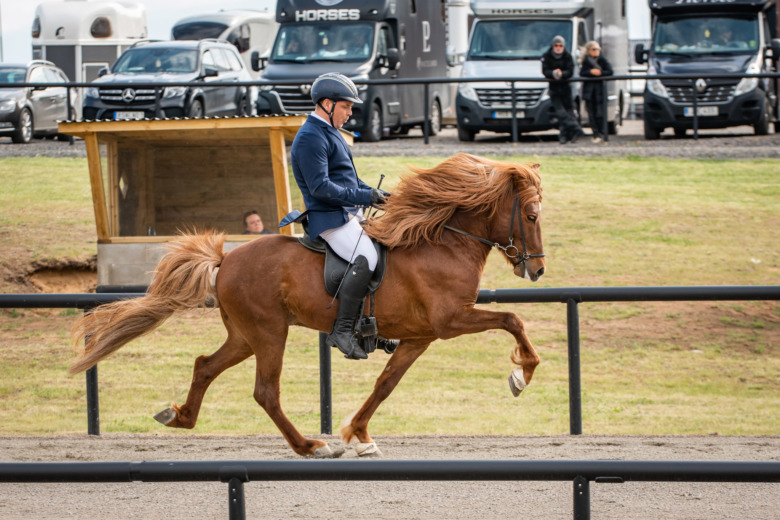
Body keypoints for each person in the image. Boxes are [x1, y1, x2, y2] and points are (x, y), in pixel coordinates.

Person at [289, 72, 389, 360]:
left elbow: (350, 182)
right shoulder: (310, 137)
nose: (350, 113)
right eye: (346, 107)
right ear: (327, 104)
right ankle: (343, 330)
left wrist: (378, 196)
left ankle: (373, 328)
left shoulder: (330, 133)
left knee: (386, 248)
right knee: (367, 258)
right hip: (329, 219)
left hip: (347, 214)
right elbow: (321, 188)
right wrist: (363, 197)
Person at [542, 35, 584, 144]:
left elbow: (570, 71)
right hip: (554, 87)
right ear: (553, 46)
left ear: (563, 46)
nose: (558, 47)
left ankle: (565, 136)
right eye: (556, 45)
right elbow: (545, 71)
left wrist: (562, 74)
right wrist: (553, 73)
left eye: (560, 45)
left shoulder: (568, 56)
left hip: (566, 87)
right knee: (560, 112)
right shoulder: (547, 56)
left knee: (569, 111)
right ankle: (576, 128)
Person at [579, 40, 613, 143]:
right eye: (594, 49)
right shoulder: (585, 61)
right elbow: (582, 73)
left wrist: (600, 73)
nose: (596, 51)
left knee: (600, 113)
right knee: (591, 114)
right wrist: (590, 72)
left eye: (598, 49)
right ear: (589, 50)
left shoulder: (602, 60)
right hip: (589, 92)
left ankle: (603, 133)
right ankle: (595, 133)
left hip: (600, 91)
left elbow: (610, 71)